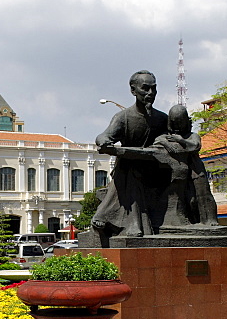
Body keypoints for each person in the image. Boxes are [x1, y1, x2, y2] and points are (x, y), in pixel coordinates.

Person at [91, 70, 169, 237]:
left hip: (157, 169)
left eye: (153, 89)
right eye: (145, 89)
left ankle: (109, 216)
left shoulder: (162, 119)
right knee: (130, 168)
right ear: (133, 91)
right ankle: (130, 223)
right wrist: (104, 141)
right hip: (129, 169)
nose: (150, 93)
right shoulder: (123, 117)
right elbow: (105, 135)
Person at [152, 104, 219, 227]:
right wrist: (167, 144)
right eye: (175, 123)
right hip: (178, 172)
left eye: (181, 122)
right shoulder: (167, 136)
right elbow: (157, 142)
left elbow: (195, 146)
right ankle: (192, 221)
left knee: (203, 194)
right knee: (189, 199)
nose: (178, 126)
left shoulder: (193, 135)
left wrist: (180, 140)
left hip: (195, 170)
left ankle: (209, 220)